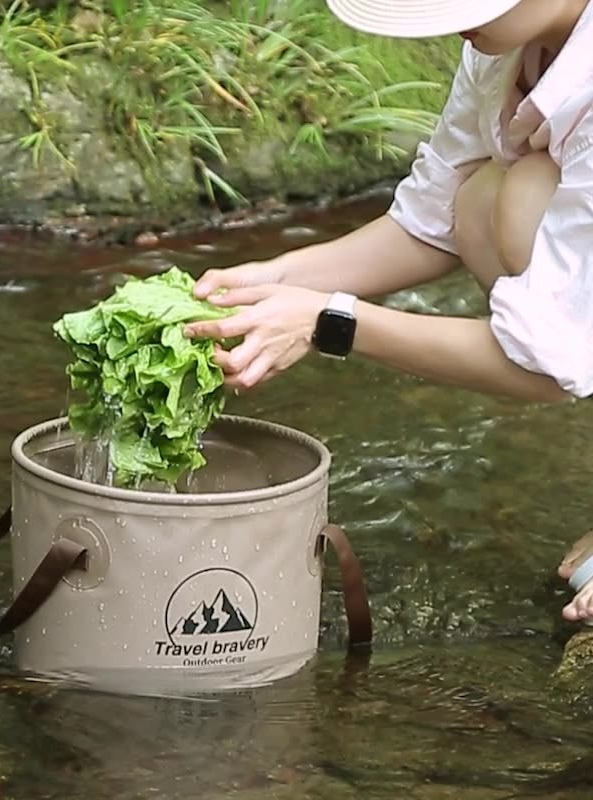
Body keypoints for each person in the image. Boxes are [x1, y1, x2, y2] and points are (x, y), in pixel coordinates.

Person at [183, 0, 593, 624]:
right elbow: (429, 220)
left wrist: (330, 321)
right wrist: (271, 280)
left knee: (522, 201)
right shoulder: (507, 44)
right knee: (484, 200)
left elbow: (549, 360)